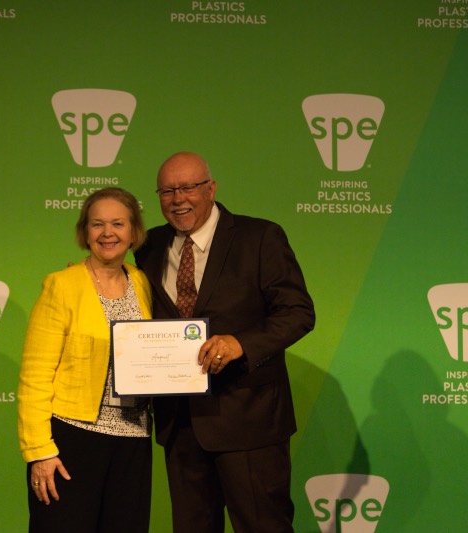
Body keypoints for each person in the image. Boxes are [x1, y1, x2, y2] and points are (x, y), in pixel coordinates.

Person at [134, 152, 315, 533]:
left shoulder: (259, 237)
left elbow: (298, 312)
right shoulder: (148, 246)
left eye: (188, 187)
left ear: (211, 188)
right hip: (180, 424)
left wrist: (241, 344)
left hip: (249, 419)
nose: (178, 199)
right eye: (167, 191)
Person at [17, 187, 153, 533]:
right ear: (85, 232)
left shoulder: (142, 282)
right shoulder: (62, 285)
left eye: (118, 224)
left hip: (134, 440)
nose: (108, 233)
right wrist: (40, 452)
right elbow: (35, 376)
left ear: (133, 232)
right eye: (97, 224)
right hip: (72, 441)